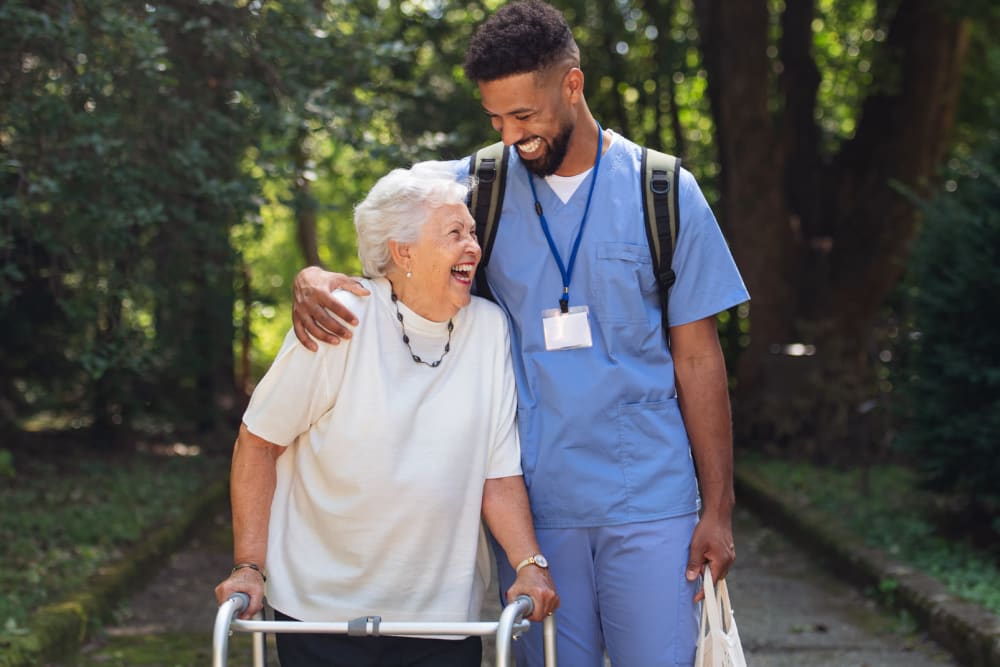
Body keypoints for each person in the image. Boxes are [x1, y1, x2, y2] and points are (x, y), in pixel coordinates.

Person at [290, 2, 750, 665]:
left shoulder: (663, 191)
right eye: (496, 119)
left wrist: (719, 507)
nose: (511, 136)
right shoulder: (475, 187)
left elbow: (700, 357)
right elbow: (388, 237)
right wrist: (311, 274)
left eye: (525, 116)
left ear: (572, 84)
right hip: (535, 506)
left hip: (650, 496)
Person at [214, 161, 558, 667]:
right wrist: (249, 565)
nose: (473, 247)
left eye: (473, 232)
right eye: (454, 233)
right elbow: (258, 442)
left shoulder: (488, 330)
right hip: (320, 609)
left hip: (441, 617)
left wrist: (529, 563)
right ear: (403, 252)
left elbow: (497, 473)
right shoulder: (340, 319)